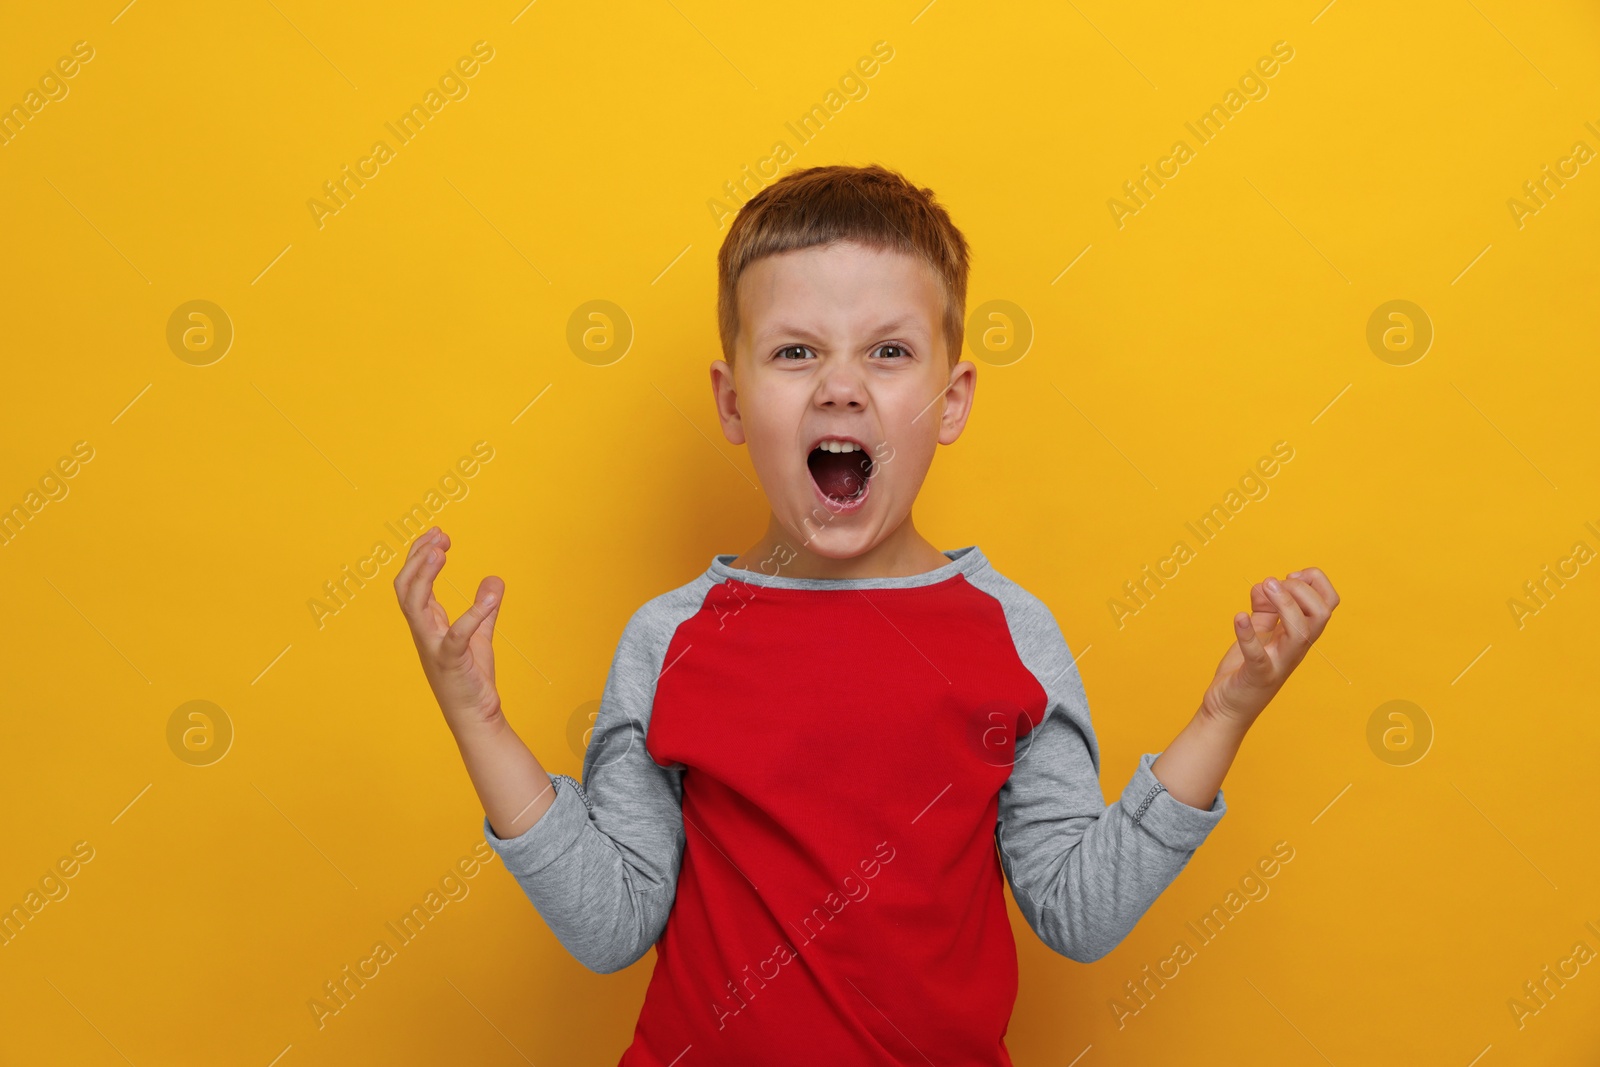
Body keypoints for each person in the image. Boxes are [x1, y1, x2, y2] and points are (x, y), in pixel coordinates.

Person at [393, 163, 1341, 1065]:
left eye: (888, 352)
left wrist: (1223, 716)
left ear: (951, 399)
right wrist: (479, 722)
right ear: (731, 402)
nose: (839, 385)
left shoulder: (1010, 633)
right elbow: (611, 924)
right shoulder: (670, 637)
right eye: (795, 351)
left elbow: (1076, 910)